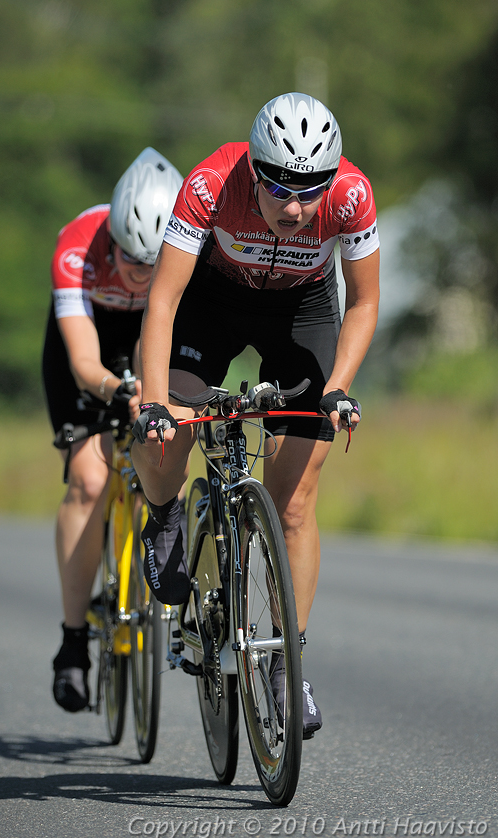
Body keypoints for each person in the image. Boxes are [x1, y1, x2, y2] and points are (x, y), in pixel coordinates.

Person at [130, 93, 380, 739]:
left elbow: (362, 302)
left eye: (310, 191)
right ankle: (164, 515)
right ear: (254, 171)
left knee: (294, 503)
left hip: (303, 311)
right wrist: (155, 404)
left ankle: (284, 661)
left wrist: (339, 388)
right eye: (279, 189)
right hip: (210, 303)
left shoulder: (352, 195)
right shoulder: (211, 182)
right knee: (165, 436)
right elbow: (163, 301)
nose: (295, 208)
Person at [42, 147, 183, 712]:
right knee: (89, 480)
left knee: (167, 436)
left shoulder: (181, 252)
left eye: (151, 264)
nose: (137, 273)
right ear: (113, 239)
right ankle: (73, 640)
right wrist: (119, 391)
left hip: (155, 325)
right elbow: (82, 359)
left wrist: (156, 396)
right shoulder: (78, 243)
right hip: (91, 339)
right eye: (128, 259)